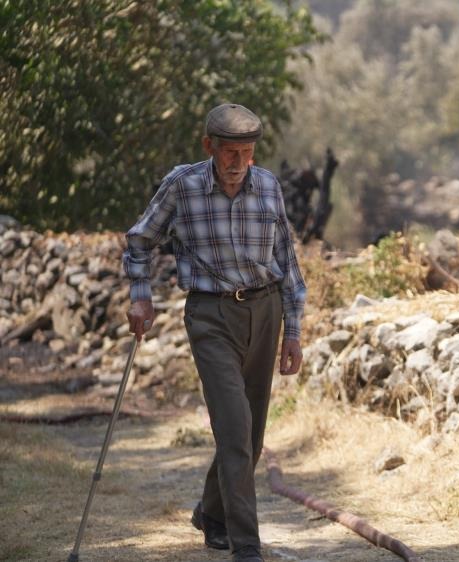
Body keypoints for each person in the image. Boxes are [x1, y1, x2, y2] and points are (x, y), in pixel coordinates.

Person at [123, 103, 307, 562]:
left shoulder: (267, 185)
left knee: (252, 436)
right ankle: (246, 545)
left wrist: (293, 331)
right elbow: (140, 240)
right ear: (209, 147)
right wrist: (140, 295)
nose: (237, 163)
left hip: (264, 313)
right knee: (234, 428)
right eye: (229, 153)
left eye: (246, 153)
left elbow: (287, 262)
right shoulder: (182, 186)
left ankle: (212, 513)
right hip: (210, 316)